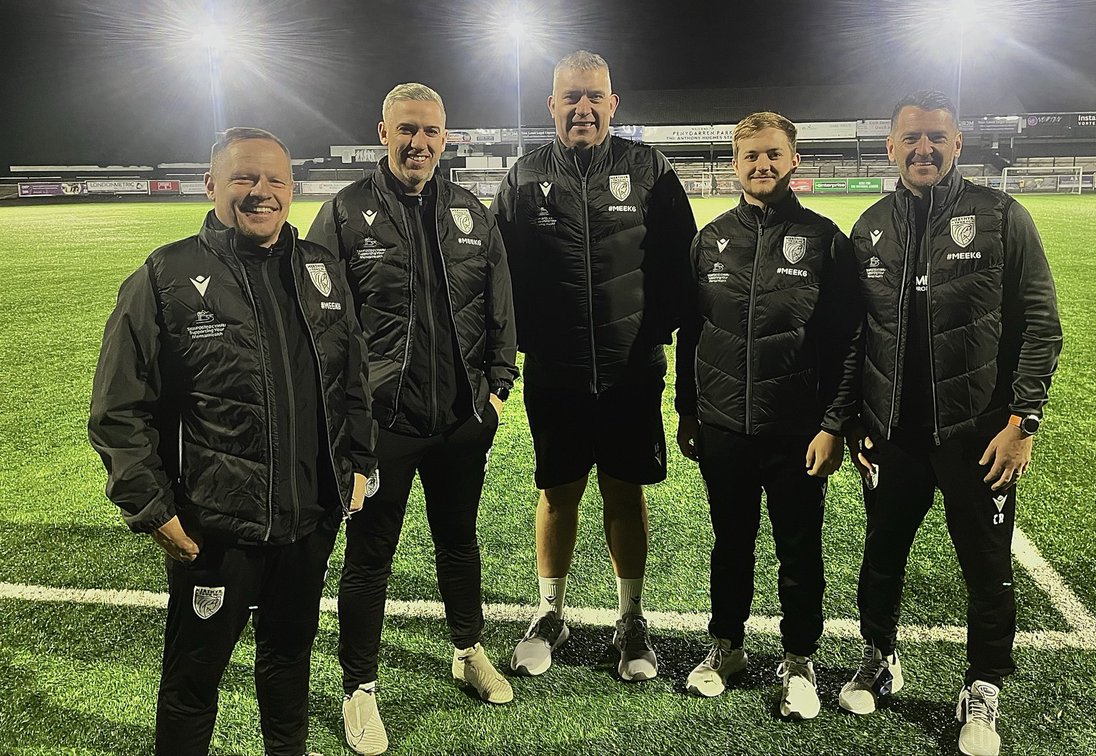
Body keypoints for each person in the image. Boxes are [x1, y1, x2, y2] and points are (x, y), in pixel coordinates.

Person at [89, 127, 374, 756]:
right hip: (214, 533)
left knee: (288, 665)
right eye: (244, 178)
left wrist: (358, 463)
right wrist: (153, 507)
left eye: (275, 179)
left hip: (307, 522)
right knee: (193, 682)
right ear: (212, 185)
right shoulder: (166, 276)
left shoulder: (321, 269)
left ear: (292, 188)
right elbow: (117, 409)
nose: (262, 192)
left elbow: (350, 382)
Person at [838, 90, 1062, 756]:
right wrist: (855, 419)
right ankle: (879, 657)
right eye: (910, 139)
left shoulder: (1001, 217)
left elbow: (1041, 327)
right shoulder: (871, 226)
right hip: (893, 434)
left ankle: (983, 687)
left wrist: (1023, 421)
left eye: (936, 137)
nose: (923, 149)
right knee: (882, 558)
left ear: (958, 144)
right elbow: (857, 334)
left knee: (987, 568)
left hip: (980, 435)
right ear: (891, 148)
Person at [307, 82, 519, 754]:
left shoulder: (468, 210)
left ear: (445, 137)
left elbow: (499, 304)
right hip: (380, 428)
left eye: (430, 131)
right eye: (407, 130)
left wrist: (497, 392)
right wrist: (344, 420)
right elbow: (318, 325)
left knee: (459, 542)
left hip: (459, 418)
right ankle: (360, 689)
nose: (419, 143)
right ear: (382, 132)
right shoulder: (344, 214)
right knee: (371, 558)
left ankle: (467, 649)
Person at [494, 50, 696, 682]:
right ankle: (548, 613)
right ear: (551, 105)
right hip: (555, 370)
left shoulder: (650, 170)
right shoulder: (524, 176)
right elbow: (500, 277)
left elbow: (677, 268)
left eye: (594, 97)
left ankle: (631, 619)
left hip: (630, 369)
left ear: (613, 103)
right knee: (557, 493)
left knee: (623, 490)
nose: (582, 108)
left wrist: (653, 339)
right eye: (570, 98)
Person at [674, 111, 859, 719]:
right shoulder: (708, 240)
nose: (763, 165)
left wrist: (833, 424)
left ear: (794, 160)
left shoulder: (826, 240)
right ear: (735, 163)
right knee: (730, 544)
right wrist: (687, 409)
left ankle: (800, 660)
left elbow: (846, 341)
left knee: (799, 549)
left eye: (774, 154)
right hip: (724, 422)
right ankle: (726, 646)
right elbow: (691, 331)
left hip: (796, 429)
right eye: (751, 155)